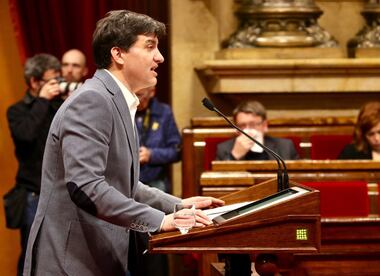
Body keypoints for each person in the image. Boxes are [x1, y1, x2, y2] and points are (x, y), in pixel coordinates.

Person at [23, 10, 224, 276]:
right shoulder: (93, 100)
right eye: (150, 46)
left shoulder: (116, 100)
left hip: (91, 258)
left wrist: (178, 205)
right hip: (70, 262)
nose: (160, 57)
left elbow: (123, 183)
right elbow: (86, 186)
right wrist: (159, 221)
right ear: (118, 54)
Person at [6, 53, 62, 276]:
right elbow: (26, 135)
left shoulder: (59, 106)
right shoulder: (17, 111)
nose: (57, 85)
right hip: (33, 195)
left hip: (60, 192)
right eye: (51, 81)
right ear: (34, 82)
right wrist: (42, 100)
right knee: (32, 253)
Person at [134, 85, 181, 275]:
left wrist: (151, 155)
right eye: (136, 96)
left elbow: (176, 151)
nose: (139, 101)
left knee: (155, 241)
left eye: (143, 96)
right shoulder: (125, 108)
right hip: (131, 185)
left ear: (153, 92)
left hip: (156, 184)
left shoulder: (164, 112)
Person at [216, 100, 299, 161]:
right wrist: (234, 155)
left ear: (264, 125)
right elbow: (217, 181)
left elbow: (296, 179)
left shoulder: (285, 146)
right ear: (236, 129)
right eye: (242, 126)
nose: (247, 130)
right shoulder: (224, 148)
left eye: (253, 124)